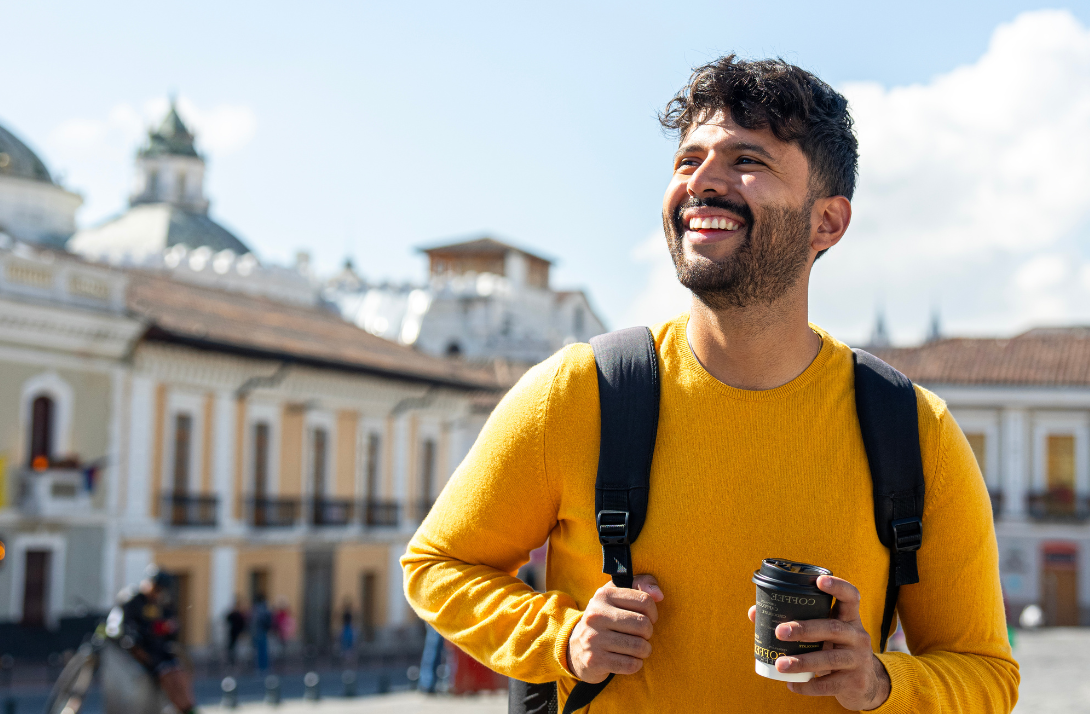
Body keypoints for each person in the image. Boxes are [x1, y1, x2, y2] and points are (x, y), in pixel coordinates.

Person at [402, 55, 1019, 712]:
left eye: (747, 161)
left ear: (827, 222)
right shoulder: (578, 393)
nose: (702, 182)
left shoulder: (912, 431)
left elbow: (986, 673)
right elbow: (437, 566)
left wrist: (882, 683)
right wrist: (564, 637)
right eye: (687, 160)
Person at [115, 568, 198, 714]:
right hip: (142, 649)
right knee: (166, 675)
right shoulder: (133, 600)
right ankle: (183, 708)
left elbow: (170, 622)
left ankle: (189, 707)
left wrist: (169, 627)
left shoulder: (160, 602)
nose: (158, 593)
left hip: (159, 648)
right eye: (156, 588)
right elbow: (128, 629)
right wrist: (153, 629)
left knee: (179, 672)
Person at [250, 596, 272, 672]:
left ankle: (260, 667)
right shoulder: (265, 609)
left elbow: (254, 622)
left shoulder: (257, 610)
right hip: (262, 632)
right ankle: (264, 667)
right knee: (263, 650)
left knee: (260, 651)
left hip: (258, 632)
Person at [224, 597, 247, 666]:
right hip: (234, 632)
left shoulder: (238, 614)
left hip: (235, 632)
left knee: (235, 648)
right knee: (233, 648)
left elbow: (242, 624)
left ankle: (234, 661)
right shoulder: (236, 614)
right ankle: (232, 661)